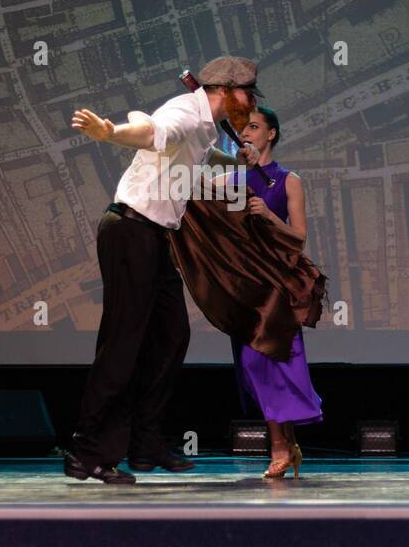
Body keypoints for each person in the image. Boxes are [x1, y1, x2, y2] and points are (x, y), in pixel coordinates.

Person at [66, 56, 262, 483]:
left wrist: (237, 164)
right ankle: (88, 451)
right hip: (130, 230)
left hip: (154, 237)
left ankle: (145, 442)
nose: (251, 103)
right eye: (247, 93)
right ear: (226, 91)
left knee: (172, 337)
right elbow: (153, 132)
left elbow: (200, 157)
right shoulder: (183, 113)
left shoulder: (205, 125)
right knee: (123, 343)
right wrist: (111, 132)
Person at [228, 107, 322, 478]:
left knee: (277, 358)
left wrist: (268, 216)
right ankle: (287, 443)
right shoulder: (234, 179)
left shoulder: (288, 180)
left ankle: (281, 447)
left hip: (277, 285)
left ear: (272, 134)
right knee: (254, 366)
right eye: (242, 128)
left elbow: (298, 237)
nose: (246, 133)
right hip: (246, 284)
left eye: (254, 127)